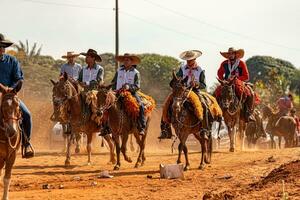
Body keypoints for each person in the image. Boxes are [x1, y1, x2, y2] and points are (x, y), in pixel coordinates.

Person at [158, 50, 206, 139]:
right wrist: (177, 81)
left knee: (203, 105)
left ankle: (204, 129)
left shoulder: (200, 70)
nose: (189, 61)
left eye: (190, 59)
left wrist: (196, 84)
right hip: (181, 91)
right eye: (187, 59)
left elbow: (203, 85)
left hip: (194, 91)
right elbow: (175, 80)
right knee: (167, 105)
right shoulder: (182, 69)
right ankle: (165, 130)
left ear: (195, 59)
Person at [0, 33, 34, 158]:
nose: (2, 48)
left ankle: (26, 144)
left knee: (27, 115)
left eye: (3, 46)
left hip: (10, 95)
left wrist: (11, 89)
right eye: (0, 46)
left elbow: (18, 78)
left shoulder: (12, 61)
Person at [217, 47, 255, 122]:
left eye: (232, 53)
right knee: (217, 92)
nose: (230, 55)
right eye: (229, 54)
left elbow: (246, 76)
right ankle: (217, 113)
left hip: (239, 82)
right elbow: (219, 73)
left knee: (250, 93)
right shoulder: (224, 63)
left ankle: (248, 113)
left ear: (235, 54)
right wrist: (223, 80)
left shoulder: (241, 63)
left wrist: (236, 79)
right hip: (227, 83)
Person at [111, 53, 145, 136]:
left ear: (132, 62)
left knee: (140, 106)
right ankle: (105, 127)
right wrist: (111, 89)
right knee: (107, 105)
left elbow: (137, 86)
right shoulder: (119, 71)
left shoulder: (136, 72)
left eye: (128, 60)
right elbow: (114, 82)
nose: (125, 61)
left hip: (131, 93)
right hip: (117, 93)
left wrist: (128, 87)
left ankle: (141, 127)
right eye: (124, 60)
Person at [78, 49, 104, 120]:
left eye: (88, 57)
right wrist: (80, 83)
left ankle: (104, 124)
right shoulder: (83, 69)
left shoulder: (99, 69)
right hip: (84, 91)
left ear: (93, 58)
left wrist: (87, 83)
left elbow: (99, 81)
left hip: (96, 92)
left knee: (102, 106)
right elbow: (79, 80)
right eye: (86, 57)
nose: (86, 58)